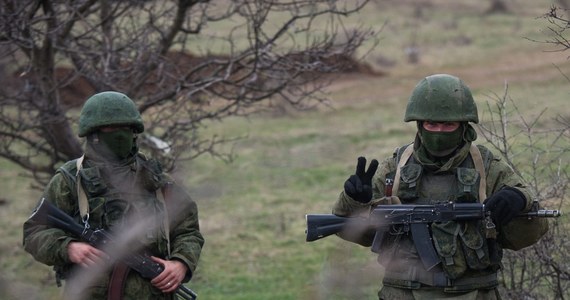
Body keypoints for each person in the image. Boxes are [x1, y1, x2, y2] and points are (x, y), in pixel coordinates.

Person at [332, 74, 548, 300]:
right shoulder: (395, 168)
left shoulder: (486, 168)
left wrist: (518, 201)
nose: (439, 132)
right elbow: (346, 226)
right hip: (403, 293)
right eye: (431, 124)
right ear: (420, 125)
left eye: (448, 124)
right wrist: (354, 200)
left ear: (463, 126)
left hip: (473, 293)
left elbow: (528, 232)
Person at [23, 91, 204, 299]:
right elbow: (34, 233)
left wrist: (180, 263)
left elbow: (188, 231)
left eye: (125, 128)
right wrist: (69, 248)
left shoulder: (157, 181)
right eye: (111, 128)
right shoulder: (71, 179)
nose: (119, 134)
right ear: (94, 134)